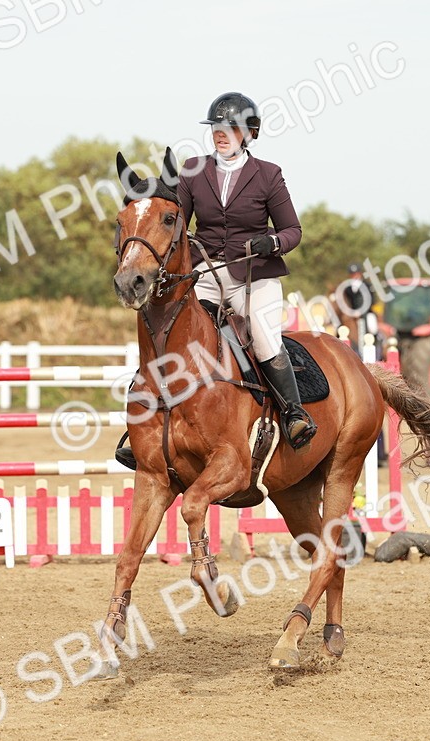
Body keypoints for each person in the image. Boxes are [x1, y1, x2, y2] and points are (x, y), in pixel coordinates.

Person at [116, 91, 315, 470]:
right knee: (171, 330)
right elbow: (175, 223)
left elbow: (293, 230)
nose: (220, 134)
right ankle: (142, 425)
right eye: (216, 129)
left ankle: (293, 413)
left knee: (261, 334)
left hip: (254, 274)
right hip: (205, 273)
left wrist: (271, 241)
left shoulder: (268, 175)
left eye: (229, 128)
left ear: (248, 133)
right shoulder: (193, 170)